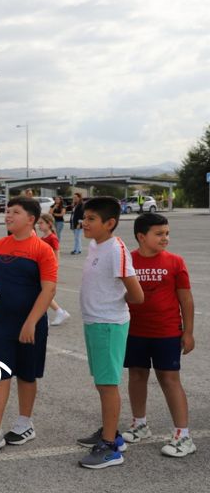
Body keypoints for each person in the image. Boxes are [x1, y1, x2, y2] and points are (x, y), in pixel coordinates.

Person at [0, 197, 57, 456]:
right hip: (1, 322)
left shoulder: (42, 249)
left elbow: (49, 289)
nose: (8, 215)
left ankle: (25, 423)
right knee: (0, 373)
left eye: (15, 212)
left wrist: (31, 322)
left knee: (26, 374)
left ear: (31, 219)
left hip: (31, 325)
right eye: (7, 211)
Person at [75, 196, 144, 469]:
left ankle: (110, 446)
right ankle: (110, 431)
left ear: (110, 223)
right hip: (94, 322)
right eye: (85, 217)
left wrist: (112, 303)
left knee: (107, 384)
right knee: (102, 382)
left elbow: (137, 295)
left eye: (91, 218)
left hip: (108, 324)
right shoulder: (95, 244)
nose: (85, 222)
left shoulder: (116, 249)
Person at [122, 213, 196, 457]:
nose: (165, 238)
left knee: (169, 379)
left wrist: (188, 332)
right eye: (159, 234)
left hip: (166, 332)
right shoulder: (128, 261)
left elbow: (185, 298)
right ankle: (139, 423)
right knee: (137, 375)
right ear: (141, 236)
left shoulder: (175, 262)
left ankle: (183, 435)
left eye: (167, 233)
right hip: (134, 331)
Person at [37, 214, 71, 326]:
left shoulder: (52, 238)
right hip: (41, 268)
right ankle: (57, 313)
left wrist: (55, 268)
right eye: (39, 223)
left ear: (49, 224)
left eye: (41, 223)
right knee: (40, 293)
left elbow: (57, 252)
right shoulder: (42, 238)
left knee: (43, 294)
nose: (39, 225)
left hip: (48, 270)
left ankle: (55, 314)